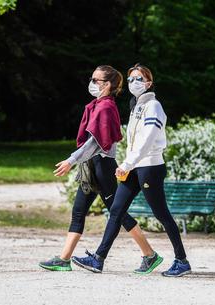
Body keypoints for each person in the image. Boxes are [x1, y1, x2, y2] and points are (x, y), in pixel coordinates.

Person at [39, 65, 161, 274]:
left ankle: (149, 255)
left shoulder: (106, 108)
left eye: (95, 80)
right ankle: (63, 259)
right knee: (79, 211)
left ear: (107, 85)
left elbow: (94, 144)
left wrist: (71, 160)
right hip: (90, 166)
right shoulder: (97, 105)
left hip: (103, 167)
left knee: (118, 213)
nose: (91, 83)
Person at [72, 64, 191, 277]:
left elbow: (147, 141)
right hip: (135, 167)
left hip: (150, 168)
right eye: (130, 79)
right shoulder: (136, 106)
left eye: (138, 79)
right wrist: (127, 163)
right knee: (116, 210)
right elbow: (133, 141)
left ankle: (181, 261)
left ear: (148, 83)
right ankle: (98, 259)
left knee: (161, 214)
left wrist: (127, 164)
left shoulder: (153, 106)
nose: (133, 83)